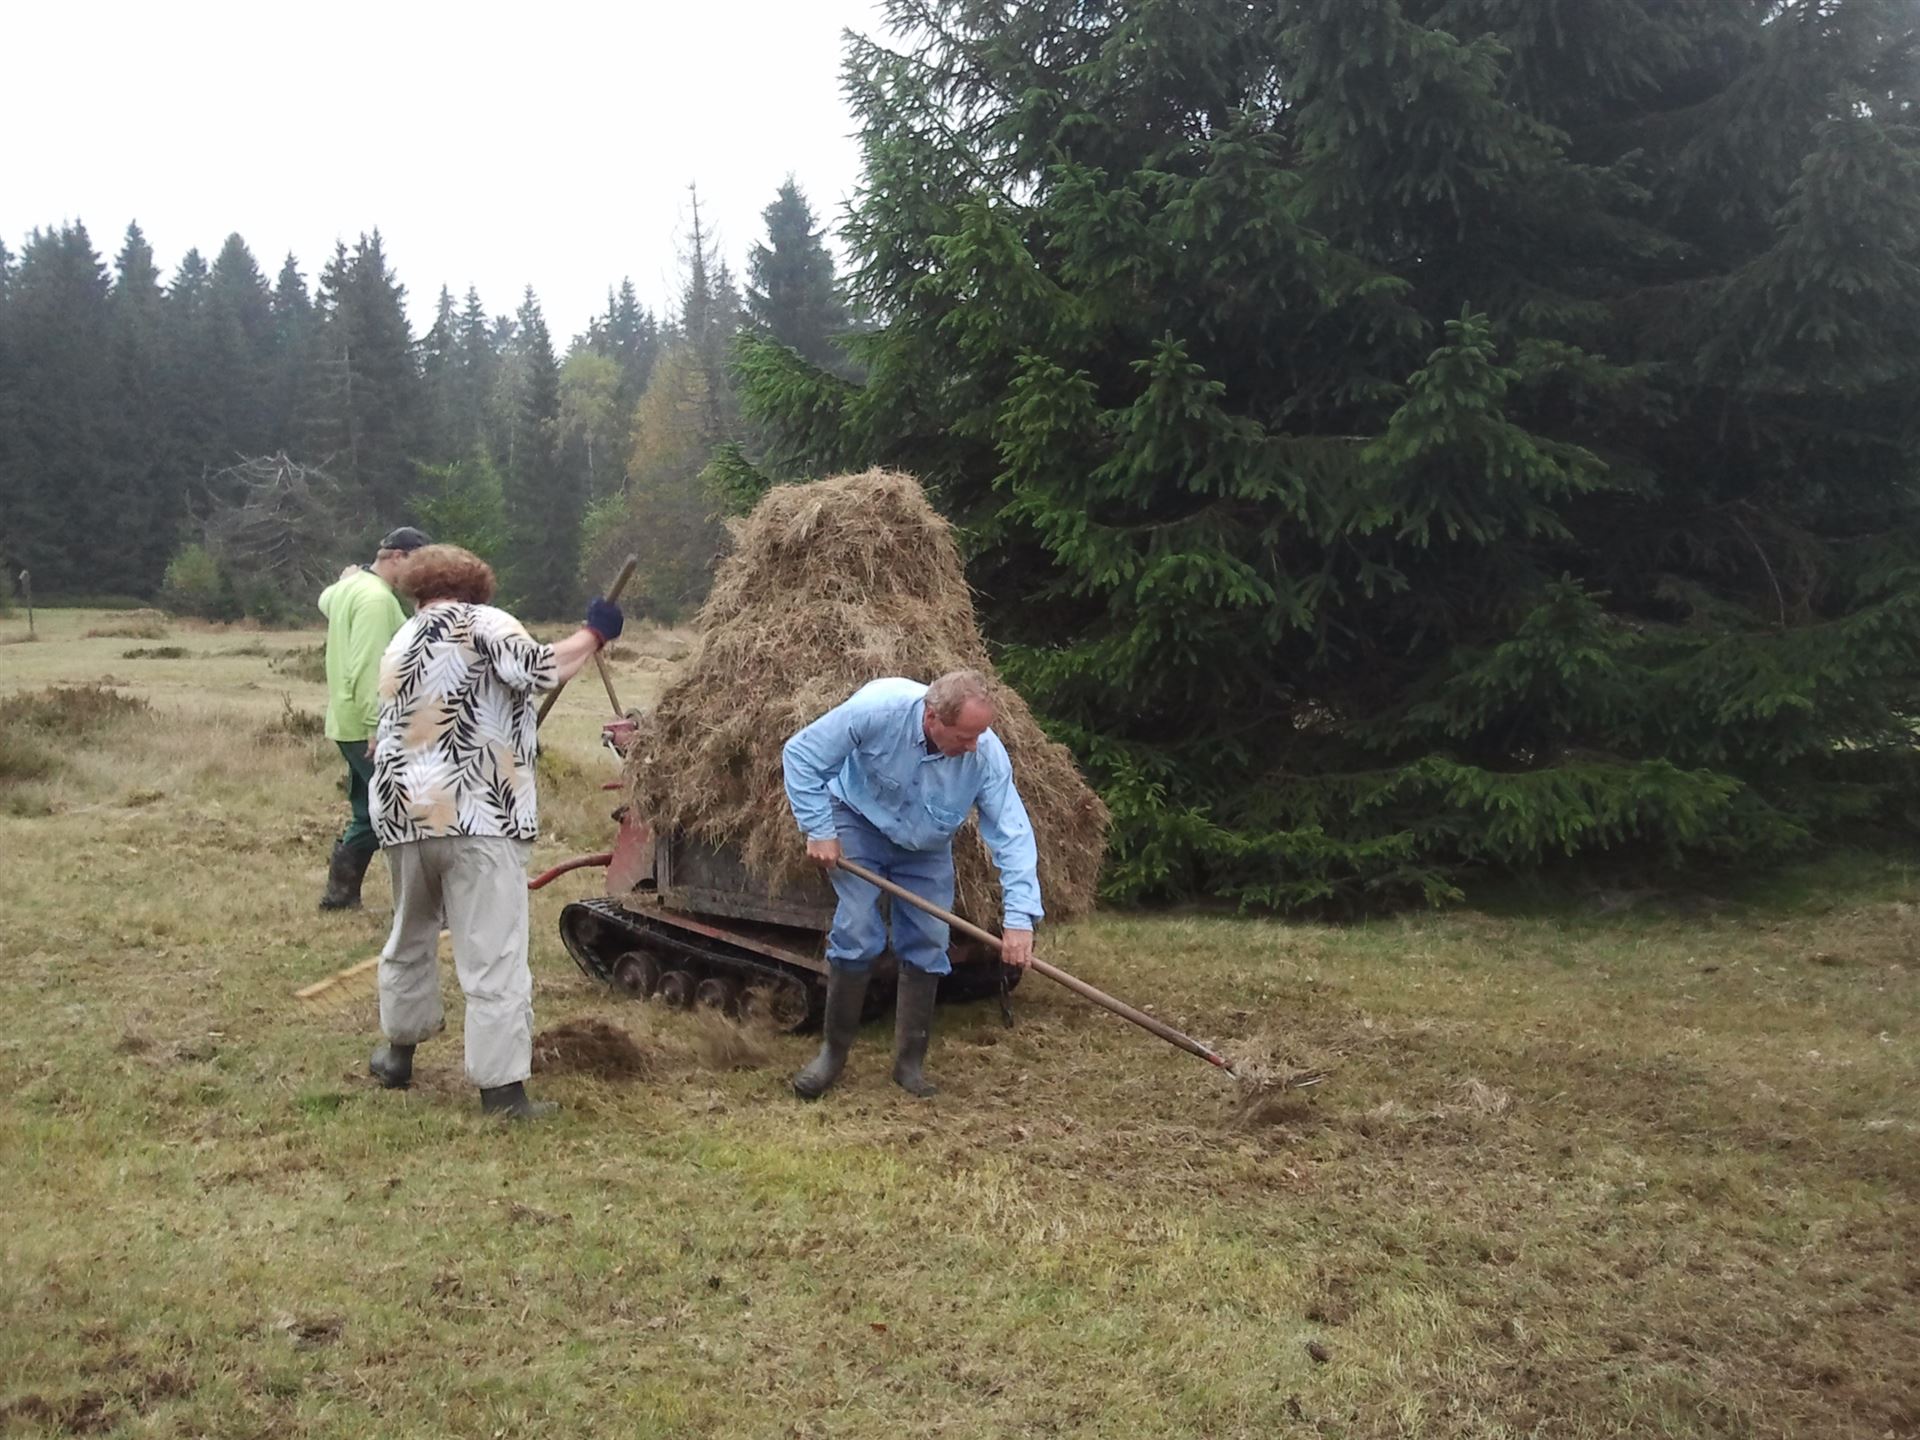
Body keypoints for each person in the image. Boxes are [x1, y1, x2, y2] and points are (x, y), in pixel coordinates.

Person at [364, 544, 622, 1120]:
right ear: (477, 587)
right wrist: (595, 633)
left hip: (404, 812)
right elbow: (540, 668)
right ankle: (503, 1094)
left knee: (410, 934)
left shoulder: (403, 640)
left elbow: (383, 732)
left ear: (419, 589)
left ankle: (397, 1054)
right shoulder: (484, 620)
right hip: (478, 814)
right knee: (493, 953)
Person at [781, 669, 1041, 1100]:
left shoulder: (986, 755)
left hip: (924, 844)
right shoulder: (876, 711)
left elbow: (1012, 833)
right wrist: (819, 828)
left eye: (981, 734)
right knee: (859, 929)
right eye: (965, 735)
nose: (974, 745)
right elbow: (801, 755)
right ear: (932, 717)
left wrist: (1019, 919)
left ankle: (909, 1065)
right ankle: (832, 1055)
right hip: (858, 821)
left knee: (927, 940)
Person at [316, 526, 431, 911]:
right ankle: (426, 906)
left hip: (343, 719)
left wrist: (346, 579)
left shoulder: (351, 589)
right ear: (396, 557)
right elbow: (372, 667)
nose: (419, 578)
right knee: (406, 809)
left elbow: (325, 600)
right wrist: (376, 727)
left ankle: (340, 896)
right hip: (367, 725)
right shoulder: (377, 601)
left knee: (369, 808)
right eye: (416, 565)